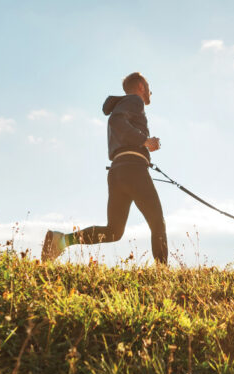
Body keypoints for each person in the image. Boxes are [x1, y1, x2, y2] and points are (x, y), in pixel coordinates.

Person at [41, 72, 168, 264]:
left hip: (118, 171)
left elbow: (118, 123)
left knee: (114, 231)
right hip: (133, 169)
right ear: (141, 86)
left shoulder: (125, 104)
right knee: (157, 222)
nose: (150, 91)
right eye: (148, 86)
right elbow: (116, 121)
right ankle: (163, 275)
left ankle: (61, 240)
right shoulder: (135, 100)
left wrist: (144, 145)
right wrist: (145, 141)